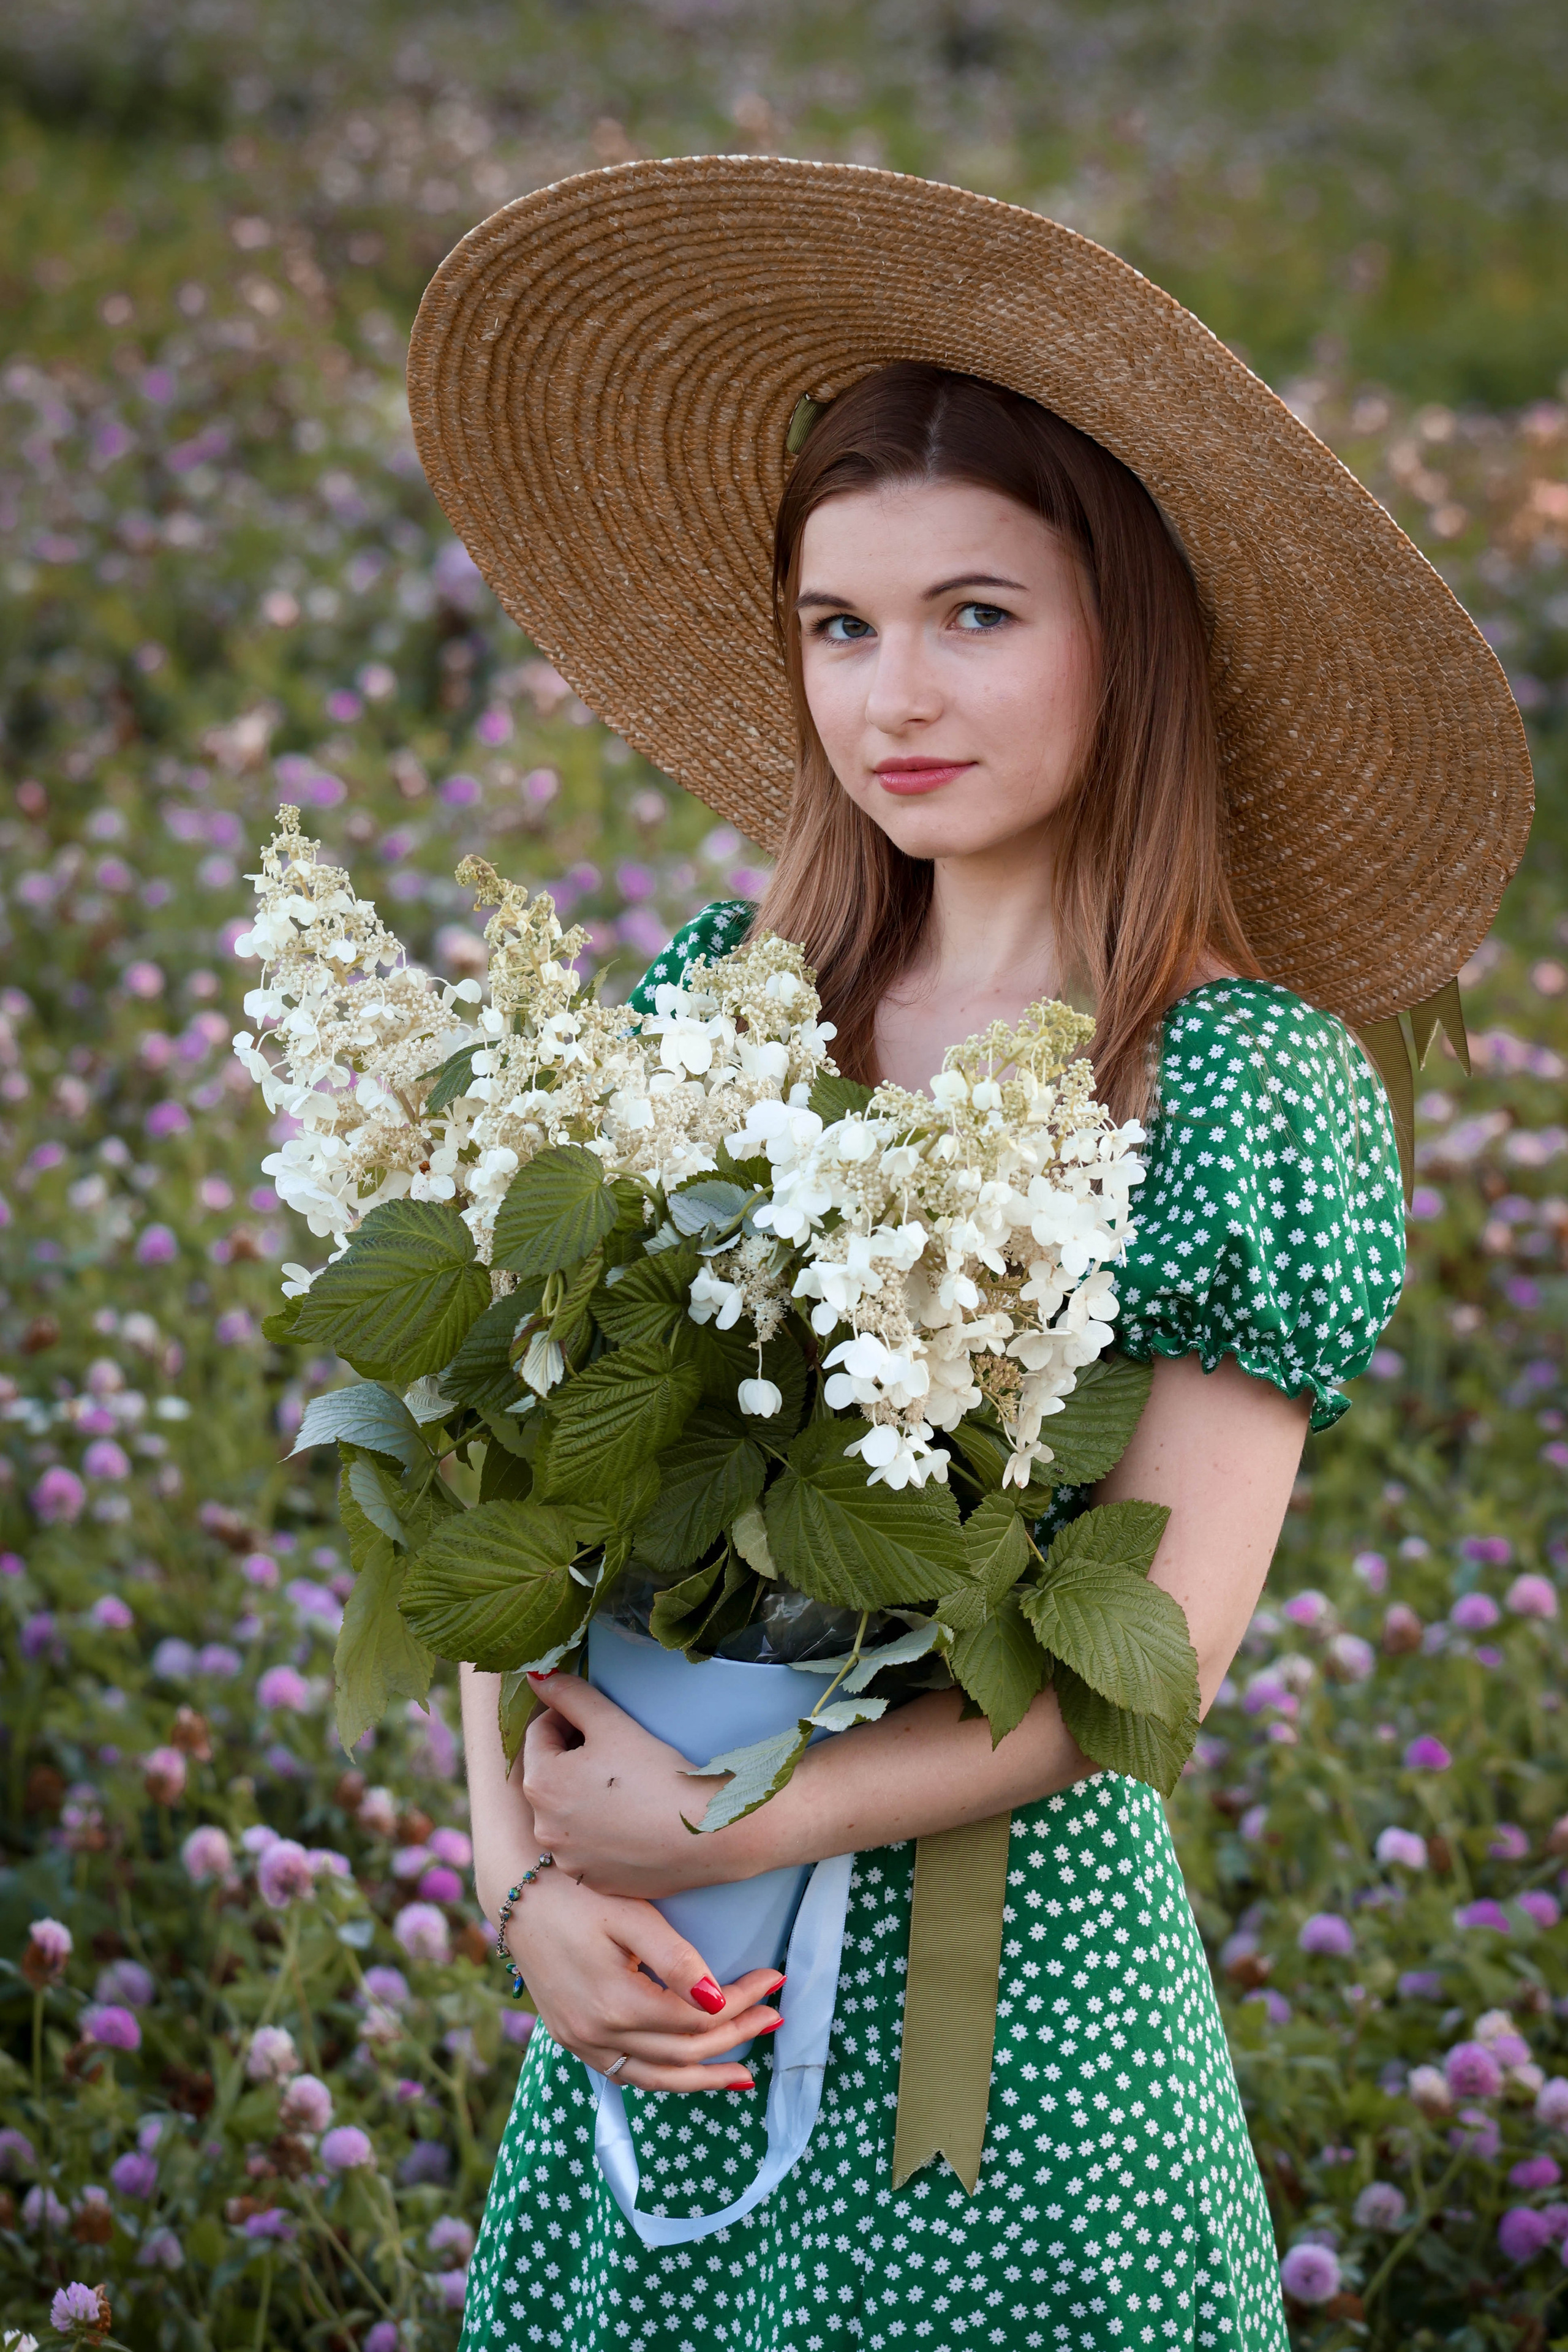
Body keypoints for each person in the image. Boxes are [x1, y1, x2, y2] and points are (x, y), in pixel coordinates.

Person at [408, 159, 1532, 2352]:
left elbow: (1150, 1664)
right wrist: (522, 1873)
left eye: (977, 615)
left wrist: (722, 1802)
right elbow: (510, 1498)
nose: (889, 694)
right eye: (841, 623)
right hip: (651, 1996)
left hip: (1009, 2044)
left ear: (1138, 636)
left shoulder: (1241, 1084)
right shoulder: (730, 994)